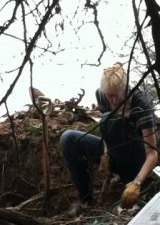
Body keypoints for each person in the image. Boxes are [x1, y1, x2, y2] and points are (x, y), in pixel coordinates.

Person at [60, 63, 158, 216]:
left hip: (138, 156)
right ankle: (84, 200)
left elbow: (152, 154)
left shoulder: (141, 104)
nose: (112, 101)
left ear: (125, 89)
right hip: (114, 149)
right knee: (68, 139)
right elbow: (107, 130)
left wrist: (137, 183)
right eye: (108, 95)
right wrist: (105, 152)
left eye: (116, 96)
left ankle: (129, 186)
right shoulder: (102, 94)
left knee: (111, 119)